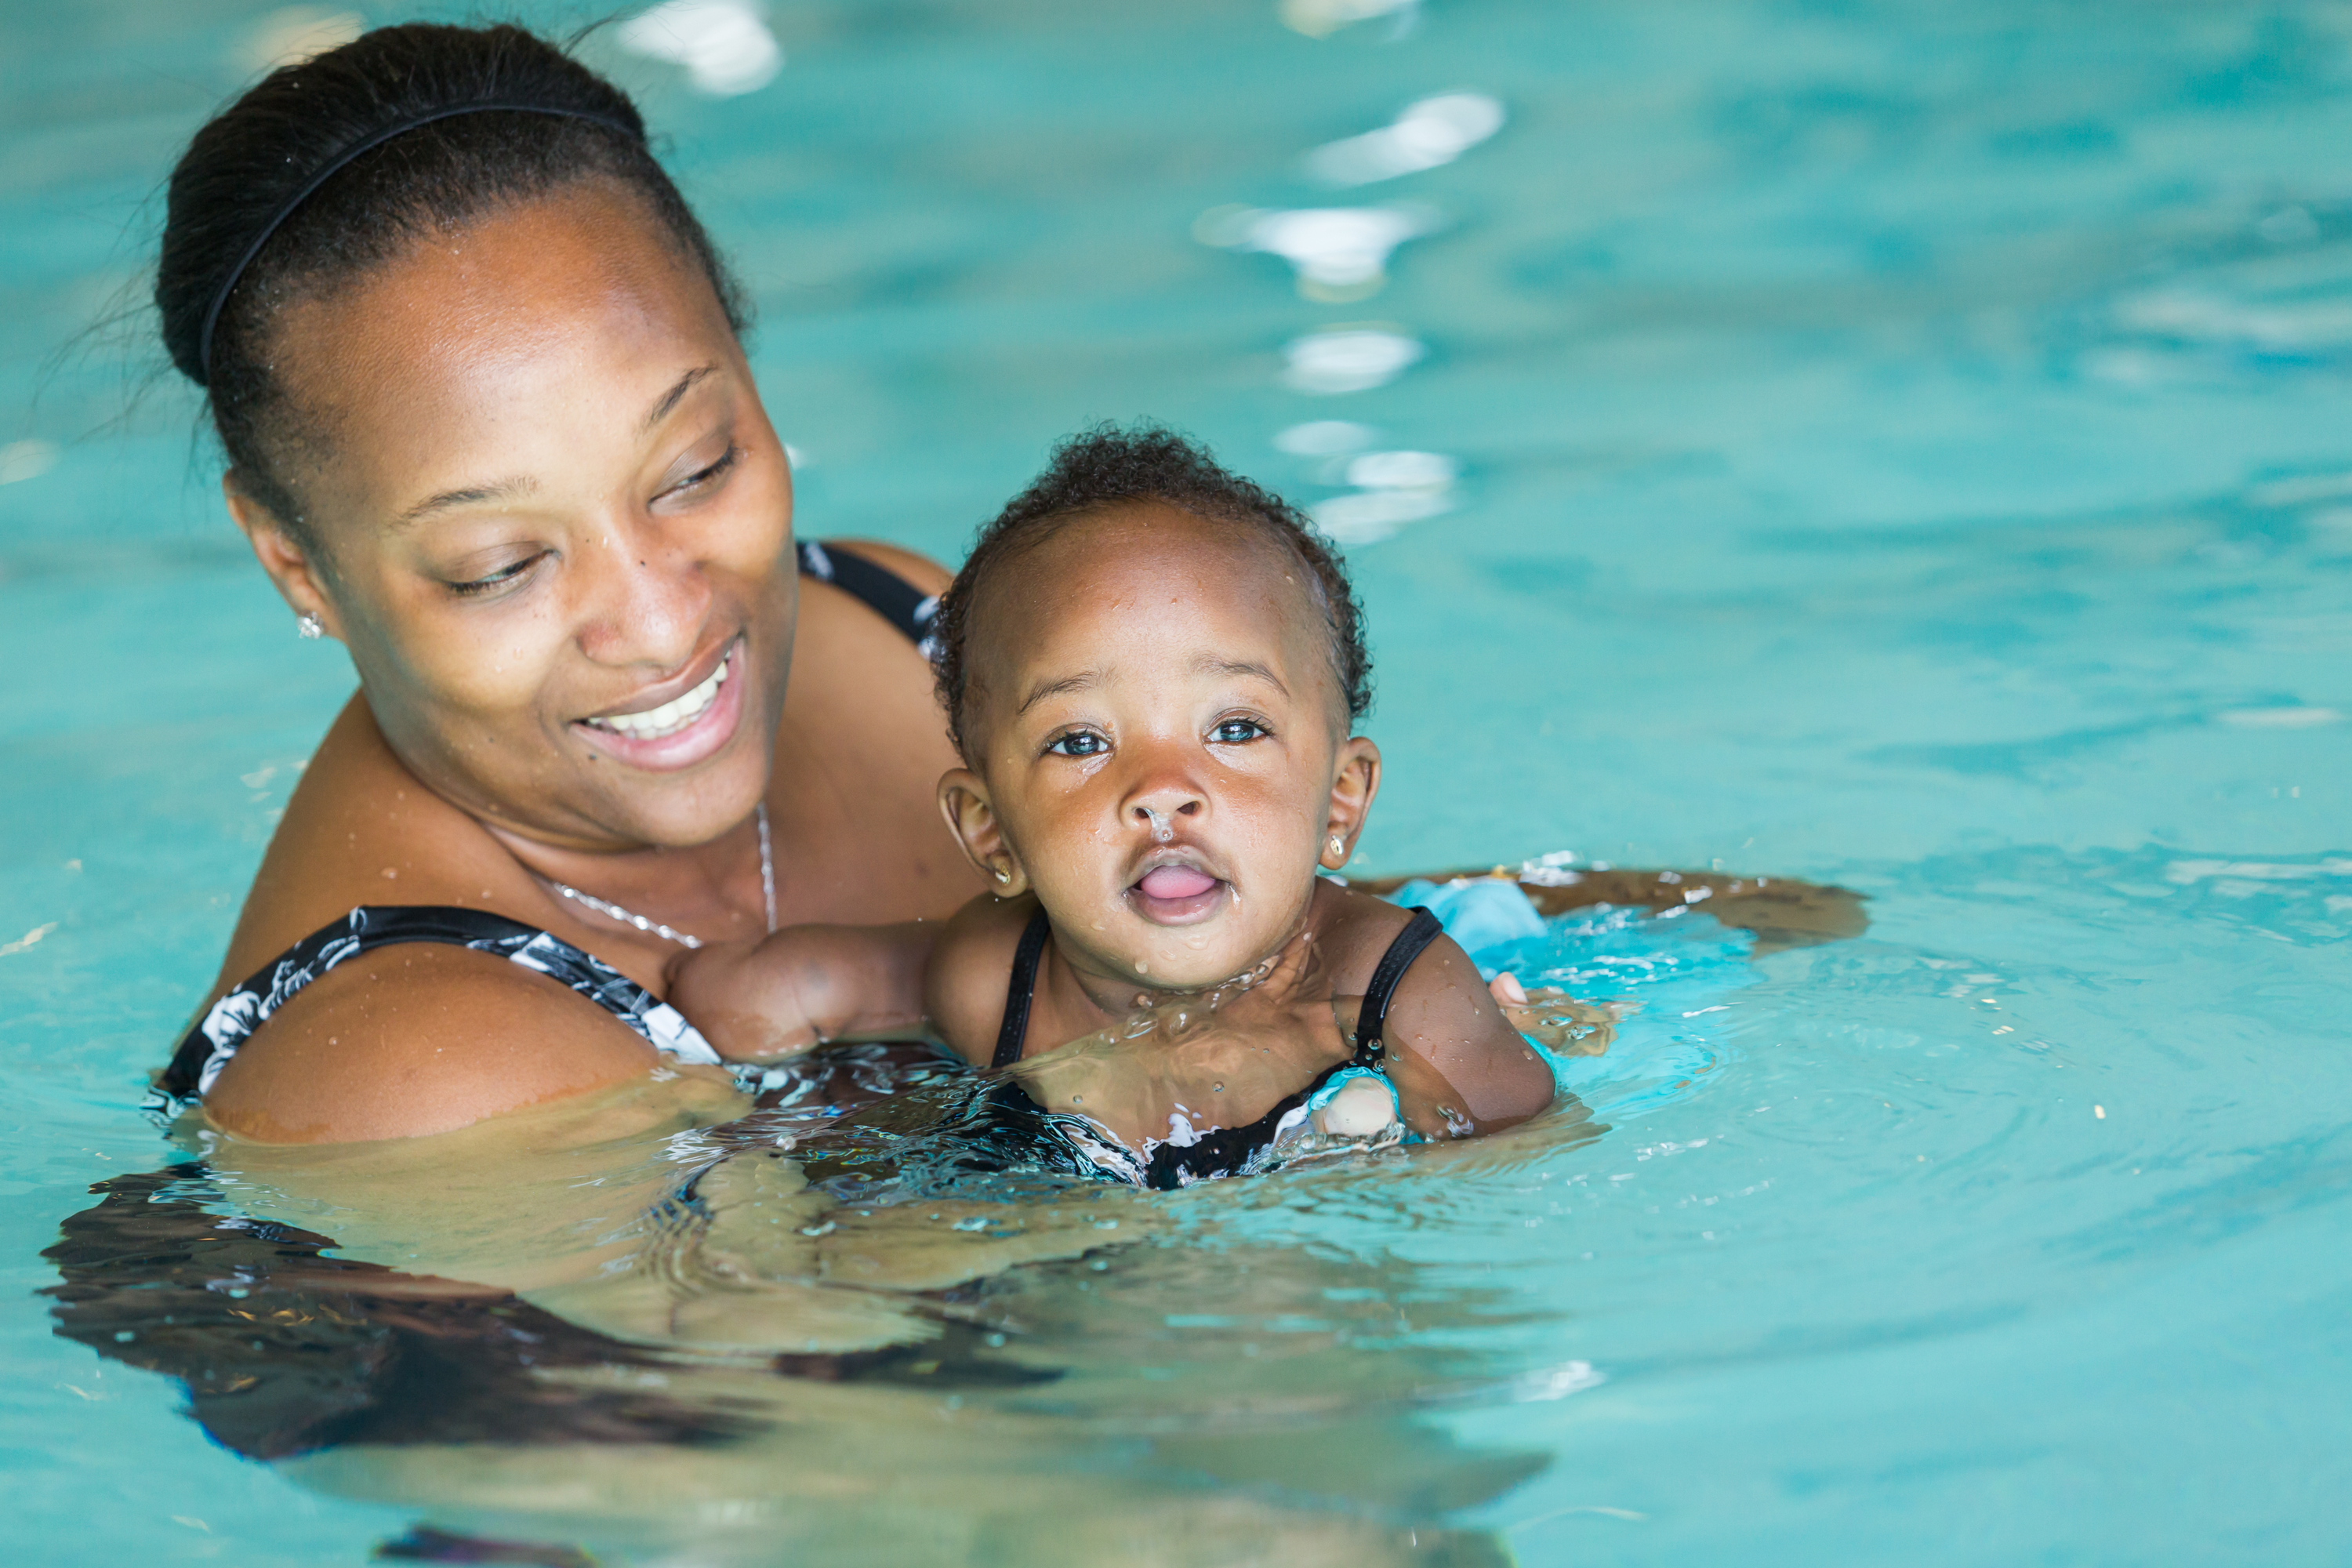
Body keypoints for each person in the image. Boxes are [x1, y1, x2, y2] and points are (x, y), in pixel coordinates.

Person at [147, 22, 982, 1144]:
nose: (658, 621)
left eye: (697, 467)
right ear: (301, 567)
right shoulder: (415, 1074)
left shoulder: (908, 630)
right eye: (500, 567)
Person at [669, 427, 1567, 1185]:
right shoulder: (992, 975)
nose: (1163, 789)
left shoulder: (1393, 991)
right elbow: (796, 989)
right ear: (990, 831)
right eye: (1081, 742)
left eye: (1237, 727)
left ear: (1340, 800)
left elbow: (1524, 1159)